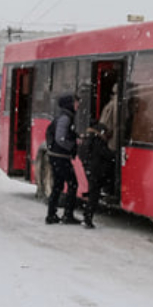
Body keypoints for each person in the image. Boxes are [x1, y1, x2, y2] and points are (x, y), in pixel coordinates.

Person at [45, 93, 81, 225]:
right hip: (60, 157)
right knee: (72, 183)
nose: (78, 105)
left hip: (56, 156)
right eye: (76, 102)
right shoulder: (66, 118)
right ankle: (68, 215)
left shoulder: (64, 116)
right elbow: (60, 138)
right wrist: (73, 144)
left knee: (58, 185)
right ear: (70, 104)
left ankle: (51, 214)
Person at [78, 120, 114, 229]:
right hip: (96, 172)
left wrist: (87, 165)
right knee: (94, 195)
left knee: (92, 193)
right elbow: (107, 155)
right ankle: (87, 219)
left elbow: (81, 155)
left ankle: (86, 216)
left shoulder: (87, 140)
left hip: (90, 170)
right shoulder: (98, 142)